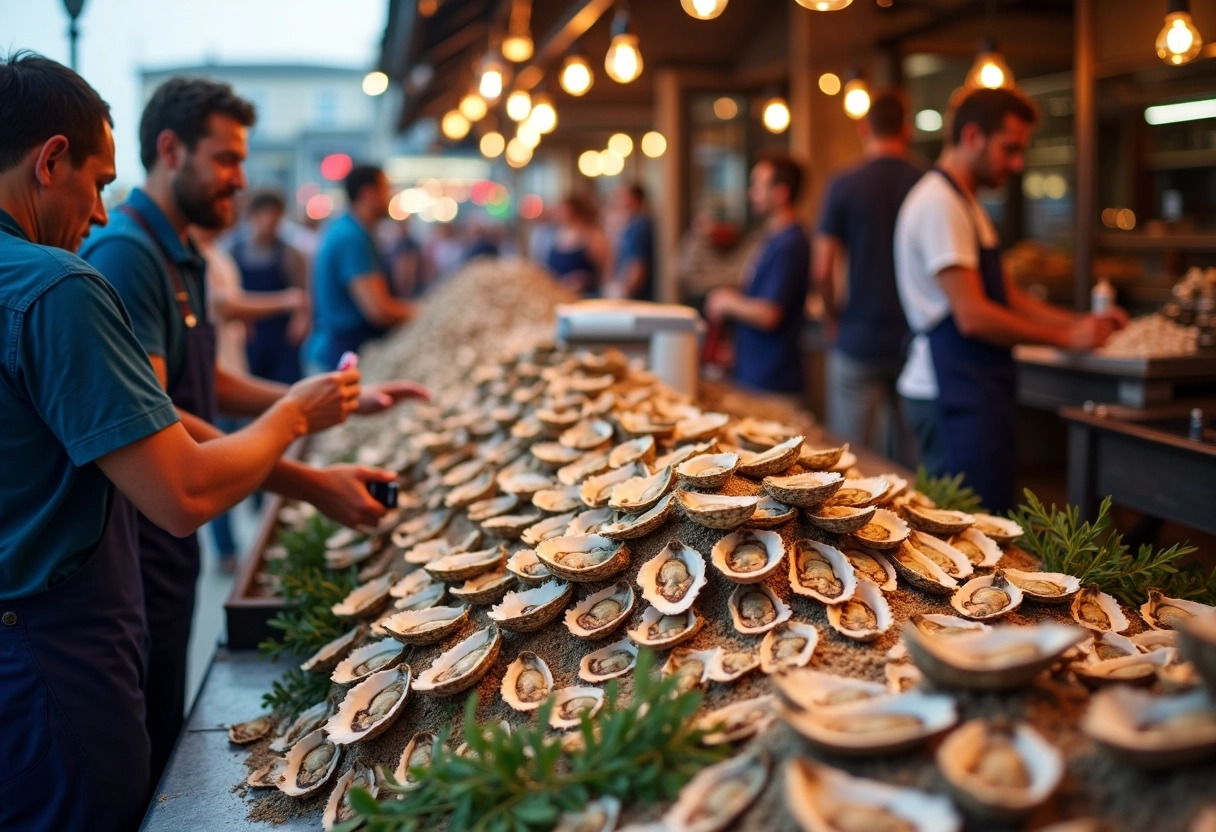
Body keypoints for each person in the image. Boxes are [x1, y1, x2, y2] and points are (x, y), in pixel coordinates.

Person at [0, 53, 363, 832]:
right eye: (97, 182)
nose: (99, 214)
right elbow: (180, 493)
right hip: (53, 655)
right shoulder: (59, 285)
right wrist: (294, 417)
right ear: (50, 160)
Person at [79, 77, 427, 785]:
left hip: (173, 541)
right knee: (146, 753)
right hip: (146, 539)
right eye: (227, 159)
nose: (241, 178)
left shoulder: (178, 250)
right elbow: (158, 412)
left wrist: (331, 402)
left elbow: (206, 384)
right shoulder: (127, 254)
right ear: (170, 150)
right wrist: (303, 457)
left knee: (163, 720)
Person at [894, 86, 1125, 513]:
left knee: (989, 520)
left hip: (975, 385)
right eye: (1010, 149)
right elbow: (973, 316)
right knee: (964, 534)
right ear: (972, 138)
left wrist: (1078, 325)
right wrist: (1066, 339)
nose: (1017, 163)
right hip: (947, 391)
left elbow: (1010, 296)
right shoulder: (938, 204)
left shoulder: (968, 204)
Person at [814, 90, 925, 464]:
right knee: (911, 459)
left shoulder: (843, 184)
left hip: (858, 333)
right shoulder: (926, 182)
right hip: (913, 336)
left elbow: (822, 267)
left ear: (864, 129)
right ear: (906, 130)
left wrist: (832, 317)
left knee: (846, 456)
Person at [705, 154, 811, 403]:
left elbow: (769, 313)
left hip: (774, 378)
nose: (751, 193)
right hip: (758, 373)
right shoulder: (775, 238)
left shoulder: (790, 243)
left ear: (780, 193)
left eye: (758, 186)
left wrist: (726, 301)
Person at [304, 164, 415, 374]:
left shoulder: (348, 228)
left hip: (340, 348)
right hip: (341, 356)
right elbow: (378, 310)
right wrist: (420, 312)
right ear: (368, 193)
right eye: (386, 189)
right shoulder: (352, 237)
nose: (390, 196)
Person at [230, 189, 309, 384]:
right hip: (251, 332)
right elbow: (231, 295)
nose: (270, 223)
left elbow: (302, 293)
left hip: (282, 334)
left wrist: (302, 319)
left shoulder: (290, 254)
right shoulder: (234, 252)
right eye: (266, 215)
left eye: (276, 217)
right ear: (253, 216)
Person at [546, 193, 608, 296]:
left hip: (584, 295)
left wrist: (587, 280)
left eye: (563, 209)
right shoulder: (556, 233)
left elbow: (605, 269)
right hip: (557, 293)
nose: (559, 212)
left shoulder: (592, 235)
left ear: (573, 211)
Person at [605, 183, 655, 301]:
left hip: (636, 296)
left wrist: (623, 291)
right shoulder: (629, 225)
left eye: (622, 196)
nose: (618, 201)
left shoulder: (639, 227)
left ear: (634, 199)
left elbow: (638, 265)